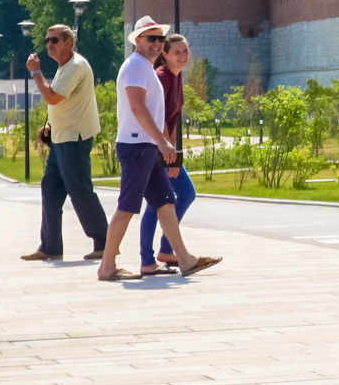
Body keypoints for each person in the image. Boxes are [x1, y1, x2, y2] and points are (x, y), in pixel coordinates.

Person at [96, 18, 219, 282]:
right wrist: (162, 142)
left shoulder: (145, 67)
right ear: (137, 40)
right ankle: (106, 266)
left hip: (146, 146)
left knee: (165, 201)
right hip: (137, 145)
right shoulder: (137, 67)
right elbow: (137, 107)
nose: (156, 43)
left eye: (159, 39)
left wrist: (159, 144)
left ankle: (184, 259)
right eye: (150, 38)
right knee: (127, 205)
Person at [23, 24, 109, 262]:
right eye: (47, 40)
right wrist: (50, 126)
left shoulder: (76, 66)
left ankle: (105, 242)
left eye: (55, 40)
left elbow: (51, 96)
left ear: (68, 42)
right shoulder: (65, 67)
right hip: (61, 137)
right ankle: (50, 247)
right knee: (50, 189)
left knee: (80, 191)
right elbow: (62, 101)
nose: (49, 44)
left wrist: (35, 73)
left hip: (74, 138)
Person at [136, 32, 202, 277]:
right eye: (177, 52)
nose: (183, 56)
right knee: (161, 201)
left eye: (185, 51)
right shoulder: (162, 77)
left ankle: (165, 250)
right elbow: (158, 116)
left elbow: (171, 120)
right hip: (154, 148)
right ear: (164, 54)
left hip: (165, 147)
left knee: (178, 195)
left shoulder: (177, 76)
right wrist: (167, 154)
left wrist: (173, 151)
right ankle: (148, 256)